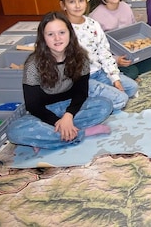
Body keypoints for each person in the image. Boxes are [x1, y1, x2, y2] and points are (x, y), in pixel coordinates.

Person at [7, 12, 113, 151]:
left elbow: (81, 94)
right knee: (15, 131)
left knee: (105, 105)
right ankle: (81, 133)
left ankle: (48, 137)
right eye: (50, 34)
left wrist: (68, 116)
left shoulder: (81, 57)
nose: (57, 38)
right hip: (45, 112)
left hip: (70, 108)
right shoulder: (33, 64)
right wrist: (58, 122)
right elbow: (33, 105)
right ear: (43, 38)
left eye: (62, 32)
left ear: (70, 33)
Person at [60, 0, 139, 112]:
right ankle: (87, 102)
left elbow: (104, 52)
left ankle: (99, 97)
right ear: (63, 5)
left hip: (99, 72)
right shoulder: (62, 28)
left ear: (86, 2)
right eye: (71, 2)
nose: (78, 5)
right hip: (80, 80)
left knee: (132, 87)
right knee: (121, 99)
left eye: (81, 0)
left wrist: (115, 79)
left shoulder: (92, 24)